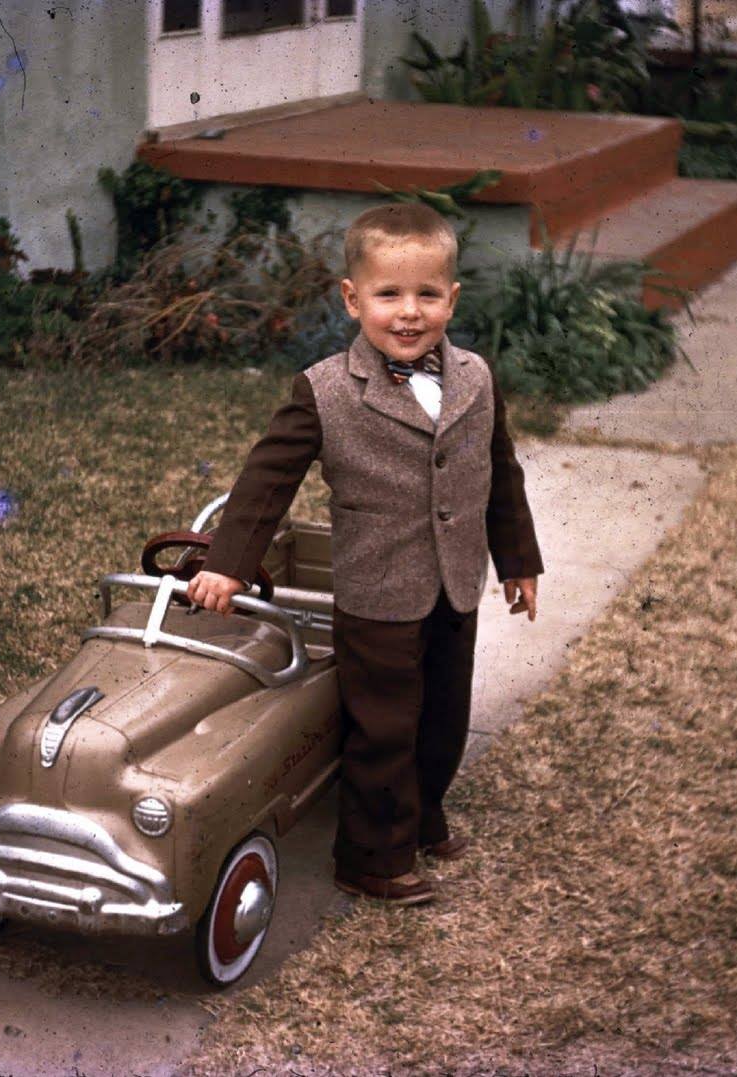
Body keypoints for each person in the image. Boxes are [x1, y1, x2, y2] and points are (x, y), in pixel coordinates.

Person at [185, 201, 543, 906]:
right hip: (377, 590)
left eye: (428, 294)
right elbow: (268, 478)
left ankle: (424, 816)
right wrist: (226, 563)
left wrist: (518, 561)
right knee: (384, 727)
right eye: (389, 294)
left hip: (455, 582)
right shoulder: (325, 390)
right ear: (353, 299)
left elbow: (498, 473)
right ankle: (370, 857)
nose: (409, 312)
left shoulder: (475, 377)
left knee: (443, 714)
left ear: (452, 298)